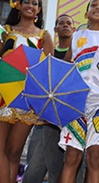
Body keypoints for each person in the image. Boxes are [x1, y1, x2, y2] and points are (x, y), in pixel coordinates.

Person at [0, 0, 53, 183]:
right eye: (27, 2)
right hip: (3, 96)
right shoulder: (6, 32)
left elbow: (48, 71)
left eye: (35, 3)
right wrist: (8, 71)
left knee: (14, 151)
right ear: (18, 4)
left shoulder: (44, 36)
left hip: (28, 97)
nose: (31, 6)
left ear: (39, 10)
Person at [58, 0, 99, 183]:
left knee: (95, 158)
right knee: (72, 157)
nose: (98, 8)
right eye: (94, 5)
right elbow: (65, 66)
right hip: (75, 102)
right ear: (86, 13)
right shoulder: (77, 37)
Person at [23, 13, 75, 183]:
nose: (65, 25)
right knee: (34, 168)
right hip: (44, 118)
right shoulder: (47, 53)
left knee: (60, 169)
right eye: (61, 23)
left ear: (74, 29)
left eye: (69, 23)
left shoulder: (79, 53)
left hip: (68, 118)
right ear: (55, 29)